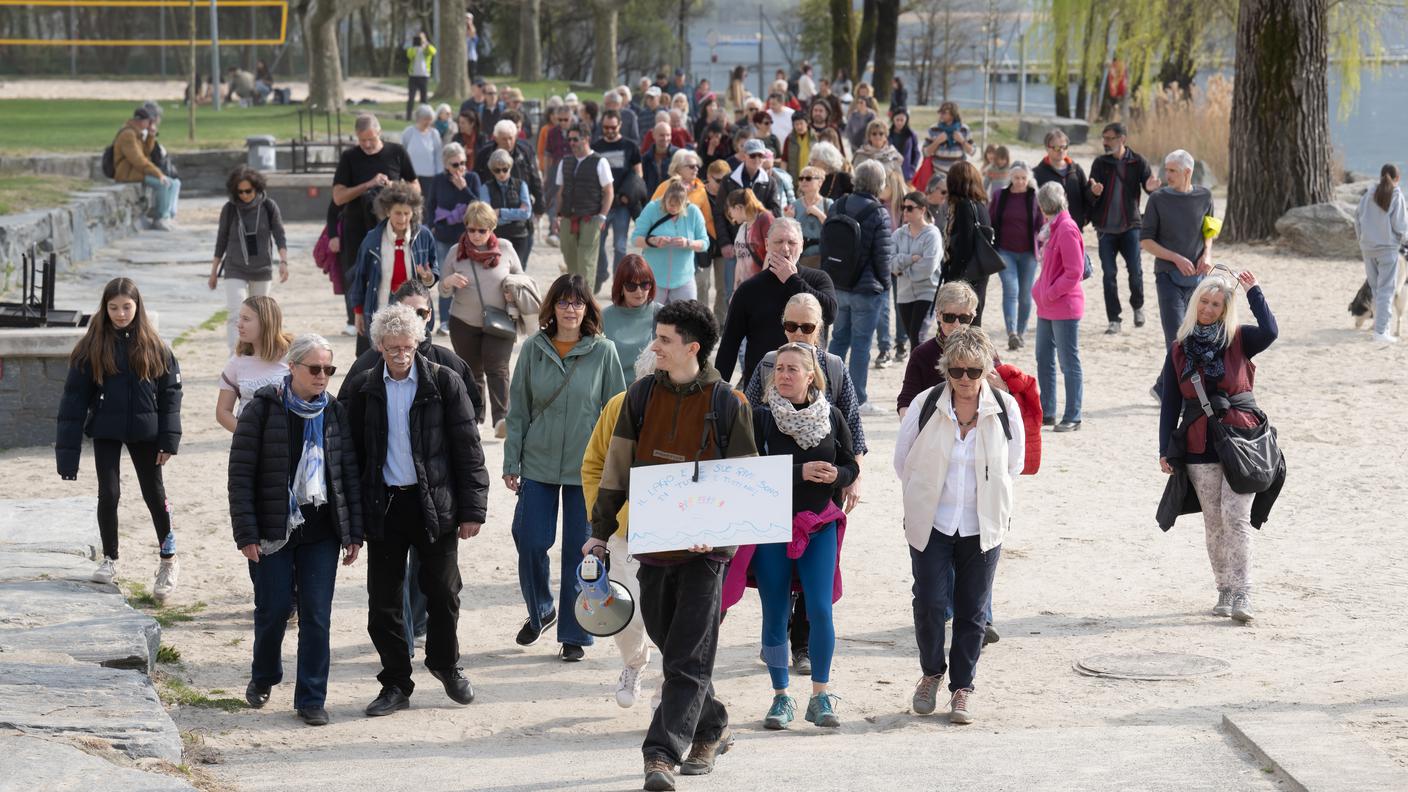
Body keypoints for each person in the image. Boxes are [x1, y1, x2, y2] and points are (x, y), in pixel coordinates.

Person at [582, 299, 756, 791]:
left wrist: (720, 534)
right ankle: (713, 722)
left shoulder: (729, 404)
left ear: (692, 348)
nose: (653, 346)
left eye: (663, 339)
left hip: (707, 553)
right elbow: (616, 469)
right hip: (653, 545)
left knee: (686, 657)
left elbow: (744, 483)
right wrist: (599, 531)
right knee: (671, 641)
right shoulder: (638, 397)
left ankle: (659, 755)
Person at [344, 303, 489, 717]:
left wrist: (472, 509)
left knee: (443, 593)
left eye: (408, 347)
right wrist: (352, 519)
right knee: (383, 602)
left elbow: (468, 447)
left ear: (418, 344)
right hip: (385, 505)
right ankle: (394, 682)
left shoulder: (444, 382)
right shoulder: (364, 386)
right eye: (392, 349)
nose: (401, 356)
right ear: (379, 347)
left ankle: (446, 664)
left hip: (434, 504)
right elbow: (350, 455)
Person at [230, 333, 362, 727]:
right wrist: (246, 534)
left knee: (317, 615)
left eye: (329, 369)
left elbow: (346, 474)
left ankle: (311, 698)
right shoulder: (261, 410)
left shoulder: (335, 412)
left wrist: (353, 532)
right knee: (272, 611)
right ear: (293, 367)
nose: (323, 376)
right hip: (274, 527)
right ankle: (265, 675)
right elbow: (240, 477)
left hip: (322, 530)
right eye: (315, 369)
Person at [894, 326, 1023, 725]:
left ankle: (962, 687)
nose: (964, 379)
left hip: (982, 526)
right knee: (929, 602)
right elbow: (903, 462)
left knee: (974, 610)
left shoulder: (1004, 408)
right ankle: (931, 672)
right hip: (932, 522)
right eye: (956, 370)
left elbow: (1014, 465)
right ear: (945, 369)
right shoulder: (925, 404)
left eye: (973, 371)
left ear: (986, 370)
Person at [729, 343, 856, 730]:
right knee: (776, 612)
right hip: (771, 526)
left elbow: (850, 464)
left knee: (819, 608)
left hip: (818, 523)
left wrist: (840, 476)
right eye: (778, 368)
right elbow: (747, 472)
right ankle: (781, 697)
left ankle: (820, 695)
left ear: (810, 376)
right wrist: (800, 472)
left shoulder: (832, 416)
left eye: (792, 369)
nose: (783, 375)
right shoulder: (761, 418)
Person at [504, 275, 626, 662]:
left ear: (588, 309)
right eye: (563, 302)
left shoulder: (604, 352)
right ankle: (541, 608)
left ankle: (575, 633)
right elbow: (518, 408)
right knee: (529, 539)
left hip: (587, 469)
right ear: (551, 307)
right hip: (537, 462)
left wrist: (615, 470)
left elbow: (616, 414)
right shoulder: (532, 349)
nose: (570, 310)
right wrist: (512, 460)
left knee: (583, 552)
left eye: (578, 303)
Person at [1158, 271, 1278, 622]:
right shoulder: (1179, 350)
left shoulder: (1240, 339)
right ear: (1196, 304)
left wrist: (1254, 291)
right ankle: (1224, 589)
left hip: (1241, 442)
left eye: (1217, 305)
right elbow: (1170, 404)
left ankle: (1243, 593)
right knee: (1214, 522)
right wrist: (1165, 448)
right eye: (1205, 303)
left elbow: (1271, 331)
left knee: (1235, 517)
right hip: (1198, 445)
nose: (1209, 309)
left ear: (1226, 310)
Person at [56, 277, 182, 598]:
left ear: (138, 306)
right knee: (108, 494)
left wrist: (169, 439)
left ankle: (168, 559)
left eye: (126, 307)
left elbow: (171, 395)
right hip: (107, 431)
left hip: (146, 432)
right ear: (105, 308)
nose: (121, 313)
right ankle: (110, 560)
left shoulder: (155, 346)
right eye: (114, 307)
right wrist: (67, 457)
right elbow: (73, 402)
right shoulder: (92, 346)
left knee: (154, 495)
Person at [743, 291, 869, 513]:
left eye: (807, 327)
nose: (799, 334)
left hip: (824, 497)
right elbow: (747, 421)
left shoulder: (834, 366)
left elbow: (852, 426)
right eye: (792, 326)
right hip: (775, 496)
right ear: (783, 327)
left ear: (819, 328)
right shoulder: (769, 364)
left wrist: (853, 477)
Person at [718, 218, 838, 387]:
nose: (785, 248)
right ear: (767, 244)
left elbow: (830, 314)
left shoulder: (818, 279)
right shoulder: (749, 289)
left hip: (808, 383)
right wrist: (716, 392)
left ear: (802, 245)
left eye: (791, 242)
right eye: (779, 241)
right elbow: (729, 345)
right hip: (762, 384)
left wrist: (792, 280)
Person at [440, 202, 524, 437]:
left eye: (482, 230)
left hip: (500, 321)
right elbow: (442, 290)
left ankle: (501, 419)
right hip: (463, 321)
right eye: (471, 229)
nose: (476, 235)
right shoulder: (455, 251)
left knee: (497, 369)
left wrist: (511, 289)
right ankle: (475, 417)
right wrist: (449, 282)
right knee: (472, 371)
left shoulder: (506, 248)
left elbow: (521, 278)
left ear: (491, 229)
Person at [334, 114, 419, 342]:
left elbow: (416, 189)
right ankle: (355, 318)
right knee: (355, 272)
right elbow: (338, 197)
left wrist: (393, 187)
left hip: (393, 226)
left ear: (379, 132)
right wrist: (367, 185)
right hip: (357, 225)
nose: (368, 145)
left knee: (394, 269)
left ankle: (399, 315)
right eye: (363, 141)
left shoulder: (396, 152)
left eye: (371, 139)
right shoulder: (349, 157)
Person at [1142, 149, 1216, 398]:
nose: (1166, 175)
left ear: (1188, 172)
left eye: (1172, 170)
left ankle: (1163, 387)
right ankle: (1182, 397)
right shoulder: (1157, 199)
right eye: (1166, 169)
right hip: (1167, 277)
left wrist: (1206, 254)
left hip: (1198, 279)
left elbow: (1210, 230)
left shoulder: (1205, 196)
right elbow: (1146, 242)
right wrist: (1175, 257)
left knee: (1193, 337)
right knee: (1177, 339)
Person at [824, 160, 894, 413]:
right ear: (879, 183)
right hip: (866, 289)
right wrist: (885, 286)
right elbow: (882, 256)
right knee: (862, 343)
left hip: (838, 283)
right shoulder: (878, 212)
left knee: (838, 339)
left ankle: (828, 392)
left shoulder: (837, 205)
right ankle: (857, 398)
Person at [348, 182, 438, 356]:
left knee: (413, 356)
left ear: (414, 213)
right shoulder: (372, 238)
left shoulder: (424, 236)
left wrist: (428, 277)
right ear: (388, 211)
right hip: (380, 308)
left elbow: (434, 271)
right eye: (398, 213)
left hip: (414, 312)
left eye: (407, 213)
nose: (402, 219)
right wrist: (358, 312)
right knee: (376, 358)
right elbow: (360, 277)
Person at [1088, 122, 1160, 335]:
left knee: (1135, 272)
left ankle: (1138, 306)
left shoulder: (1138, 161)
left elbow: (1150, 189)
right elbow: (1090, 194)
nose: (1105, 142)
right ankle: (1114, 320)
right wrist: (1094, 191)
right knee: (1109, 275)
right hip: (1105, 230)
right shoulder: (1100, 163)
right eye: (1104, 138)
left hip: (1131, 227)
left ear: (1122, 139)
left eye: (1109, 138)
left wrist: (1152, 187)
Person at [209, 166, 288, 350]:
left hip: (262, 268)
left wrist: (283, 262)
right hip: (235, 267)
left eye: (248, 191)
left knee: (259, 315)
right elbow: (221, 241)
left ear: (257, 188)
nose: (244, 195)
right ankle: (235, 354)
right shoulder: (230, 209)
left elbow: (280, 236)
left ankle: (256, 352)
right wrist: (213, 272)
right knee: (236, 313)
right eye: (240, 191)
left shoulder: (268, 206)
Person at [1032, 182, 1086, 433]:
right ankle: (1048, 411)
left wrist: (1049, 293)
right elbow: (1049, 268)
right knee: (1044, 358)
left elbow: (1074, 271)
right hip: (1047, 306)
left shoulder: (1066, 228)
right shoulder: (1052, 228)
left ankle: (1073, 415)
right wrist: (1039, 291)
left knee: (1068, 361)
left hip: (1064, 305)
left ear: (1043, 206)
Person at [896, 282, 980, 416]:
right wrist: (912, 430)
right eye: (950, 317)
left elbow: (1002, 392)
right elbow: (906, 400)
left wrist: (1002, 385)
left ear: (973, 317)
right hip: (933, 427)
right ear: (938, 315)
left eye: (964, 318)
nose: (957, 324)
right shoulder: (922, 354)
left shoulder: (983, 350)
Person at [427, 142, 482, 335]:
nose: (461, 168)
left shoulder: (472, 178)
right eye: (455, 164)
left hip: (468, 237)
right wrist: (430, 228)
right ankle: (445, 321)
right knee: (446, 278)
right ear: (446, 165)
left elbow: (480, 206)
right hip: (443, 236)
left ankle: (468, 319)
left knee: (469, 278)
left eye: (463, 163)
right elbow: (430, 205)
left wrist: (465, 189)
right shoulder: (438, 180)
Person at [216, 295, 292, 433]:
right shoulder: (236, 362)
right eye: (240, 317)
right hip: (250, 447)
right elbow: (222, 412)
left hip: (287, 440)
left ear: (265, 322)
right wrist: (247, 433)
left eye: (246, 319)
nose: (239, 324)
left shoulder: (292, 356)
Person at [990, 161, 1043, 350]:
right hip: (1005, 251)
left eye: (1023, 178)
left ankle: (1020, 333)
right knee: (1011, 290)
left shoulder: (1034, 198)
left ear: (1028, 179)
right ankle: (1011, 332)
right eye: (1016, 178)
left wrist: (1043, 247)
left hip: (1029, 252)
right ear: (1010, 178)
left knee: (1026, 296)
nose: (1020, 182)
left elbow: (1041, 225)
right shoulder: (1000, 196)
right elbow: (992, 220)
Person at [1353, 163, 1408, 343]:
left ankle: (1378, 326)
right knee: (1386, 290)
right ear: (1397, 179)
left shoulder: (1368, 195)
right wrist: (1400, 241)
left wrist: (1362, 240)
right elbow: (1401, 226)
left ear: (1380, 176)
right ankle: (1381, 331)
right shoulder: (1396, 195)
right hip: (1387, 249)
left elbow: (1357, 219)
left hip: (1368, 248)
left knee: (1376, 289)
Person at [633, 179, 709, 304]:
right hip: (653, 279)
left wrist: (688, 243)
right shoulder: (652, 208)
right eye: (670, 204)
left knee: (687, 320)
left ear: (685, 203)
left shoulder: (694, 212)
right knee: (652, 321)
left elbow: (705, 243)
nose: (673, 208)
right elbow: (635, 239)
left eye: (678, 205)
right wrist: (652, 241)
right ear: (664, 199)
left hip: (684, 279)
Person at [557, 122, 615, 283]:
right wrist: (558, 215)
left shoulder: (600, 161)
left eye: (575, 139)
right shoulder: (565, 161)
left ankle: (585, 300)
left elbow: (609, 191)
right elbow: (561, 192)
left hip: (591, 217)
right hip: (568, 216)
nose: (572, 143)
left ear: (586, 138)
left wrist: (602, 216)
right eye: (570, 140)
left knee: (586, 261)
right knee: (570, 259)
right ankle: (574, 294)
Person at [595, 109, 646, 293]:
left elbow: (638, 173)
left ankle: (618, 283)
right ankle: (601, 273)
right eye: (606, 127)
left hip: (623, 204)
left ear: (620, 126)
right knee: (597, 243)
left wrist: (628, 194)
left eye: (613, 127)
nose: (609, 130)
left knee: (620, 245)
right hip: (602, 204)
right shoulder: (596, 146)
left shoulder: (630, 146)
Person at [940, 161, 995, 326]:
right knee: (973, 322)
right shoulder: (981, 206)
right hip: (979, 272)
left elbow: (964, 246)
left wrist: (952, 278)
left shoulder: (964, 207)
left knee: (960, 325)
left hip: (965, 276)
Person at [111, 107, 180, 229]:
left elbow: (146, 152)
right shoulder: (128, 135)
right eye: (149, 122)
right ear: (140, 121)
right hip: (128, 173)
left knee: (172, 183)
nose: (151, 125)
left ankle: (167, 216)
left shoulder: (136, 133)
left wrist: (151, 136)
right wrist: (158, 174)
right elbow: (138, 159)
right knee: (162, 183)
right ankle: (159, 218)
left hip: (135, 171)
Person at [893, 190, 943, 354]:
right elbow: (889, 263)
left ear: (922, 210)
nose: (905, 211)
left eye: (909, 208)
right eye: (903, 207)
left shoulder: (932, 235)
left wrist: (902, 271)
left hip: (927, 291)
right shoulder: (898, 234)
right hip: (904, 293)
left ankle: (923, 376)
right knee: (912, 337)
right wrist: (909, 259)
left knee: (918, 336)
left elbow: (927, 268)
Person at [602, 254, 661, 384]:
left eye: (645, 285)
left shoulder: (662, 315)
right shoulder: (603, 317)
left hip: (650, 394)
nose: (639, 291)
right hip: (614, 396)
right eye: (631, 286)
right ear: (620, 287)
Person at [477, 148, 533, 266]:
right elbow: (487, 216)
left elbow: (526, 213)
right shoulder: (486, 188)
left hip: (519, 235)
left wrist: (501, 212)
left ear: (510, 167)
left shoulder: (521, 185)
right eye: (497, 170)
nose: (501, 173)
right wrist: (515, 214)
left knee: (517, 273)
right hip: (496, 236)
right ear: (492, 171)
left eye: (505, 169)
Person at [1032, 129, 1093, 231]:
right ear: (1047, 148)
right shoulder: (1037, 173)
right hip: (1048, 230)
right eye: (1056, 147)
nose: (1061, 150)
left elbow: (1086, 196)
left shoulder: (1076, 170)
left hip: (1074, 227)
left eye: (1064, 147)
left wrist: (1085, 218)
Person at [914, 102, 974, 187]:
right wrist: (937, 141)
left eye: (944, 112)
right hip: (938, 176)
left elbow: (972, 152)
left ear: (953, 114)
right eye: (940, 112)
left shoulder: (964, 129)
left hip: (958, 176)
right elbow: (925, 153)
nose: (941, 115)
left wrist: (962, 141)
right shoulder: (934, 129)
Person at [786, 165, 832, 269]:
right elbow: (790, 234)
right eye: (801, 178)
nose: (803, 181)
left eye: (808, 178)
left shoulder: (828, 203)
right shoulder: (795, 205)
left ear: (820, 182)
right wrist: (789, 220)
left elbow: (832, 229)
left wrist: (819, 214)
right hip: (801, 259)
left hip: (822, 257)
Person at [729, 139, 784, 216]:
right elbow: (720, 211)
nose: (757, 159)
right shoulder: (729, 179)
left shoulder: (770, 182)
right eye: (752, 155)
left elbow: (776, 212)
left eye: (760, 156)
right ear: (744, 156)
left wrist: (757, 218)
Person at [402, 104, 444, 196]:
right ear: (419, 118)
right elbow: (402, 153)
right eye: (426, 119)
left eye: (430, 119)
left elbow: (438, 155)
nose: (428, 122)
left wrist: (439, 174)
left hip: (429, 176)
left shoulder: (434, 134)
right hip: (411, 176)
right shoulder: (408, 132)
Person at [404, 32, 435, 121]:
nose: (420, 41)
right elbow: (410, 55)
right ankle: (408, 117)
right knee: (411, 97)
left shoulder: (427, 48)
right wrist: (416, 47)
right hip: (413, 76)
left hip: (424, 76)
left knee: (424, 98)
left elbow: (433, 51)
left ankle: (424, 117)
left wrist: (425, 43)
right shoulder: (412, 49)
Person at [889, 108, 922, 182]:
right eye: (897, 120)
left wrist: (912, 169)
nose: (899, 123)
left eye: (902, 120)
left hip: (906, 174)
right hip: (890, 172)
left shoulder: (911, 135)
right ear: (893, 119)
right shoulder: (888, 134)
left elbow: (916, 153)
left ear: (906, 120)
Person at [464, 13, 478, 81]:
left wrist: (470, 25)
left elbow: (473, 34)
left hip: (471, 58)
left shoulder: (473, 35)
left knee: (472, 76)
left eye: (469, 19)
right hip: (463, 58)